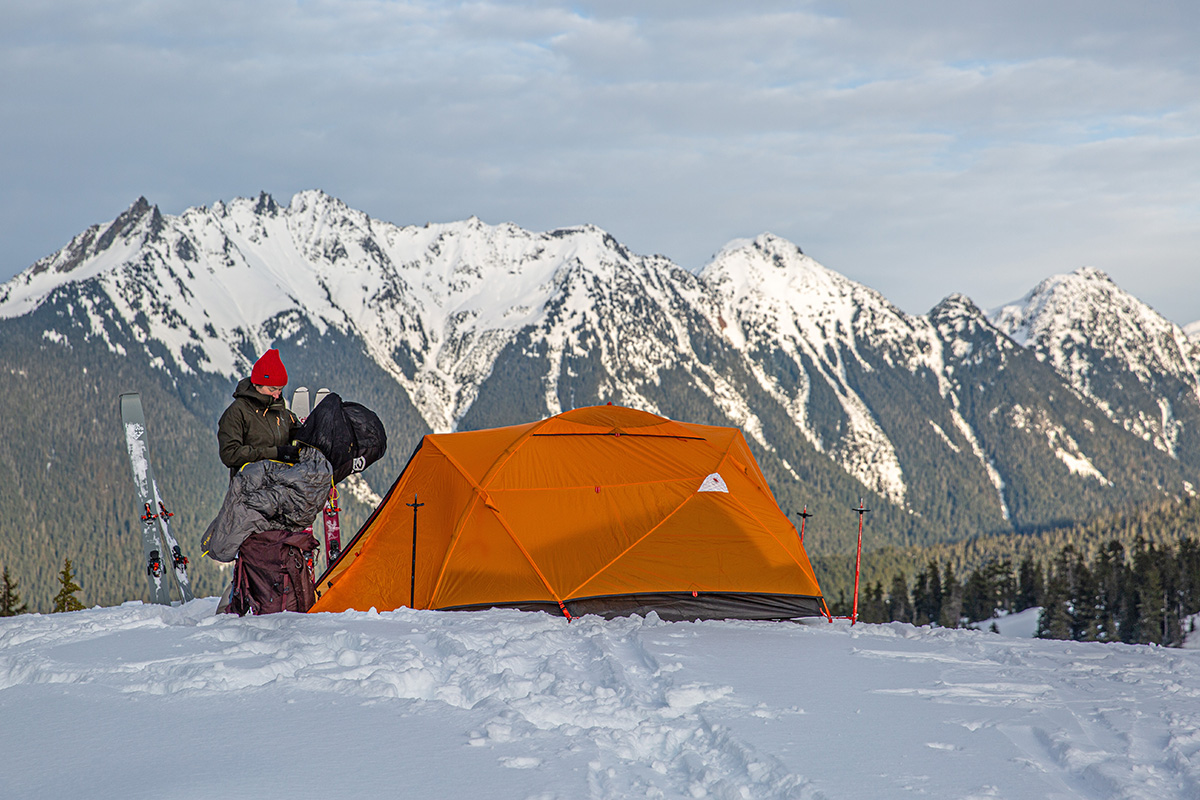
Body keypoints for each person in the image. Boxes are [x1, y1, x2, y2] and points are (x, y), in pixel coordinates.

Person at [217, 349, 300, 479]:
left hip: (281, 486)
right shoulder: (237, 412)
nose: (277, 394)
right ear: (257, 384)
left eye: (280, 389)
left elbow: (300, 434)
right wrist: (275, 453)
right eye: (272, 389)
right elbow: (230, 454)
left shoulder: (282, 412)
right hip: (249, 489)